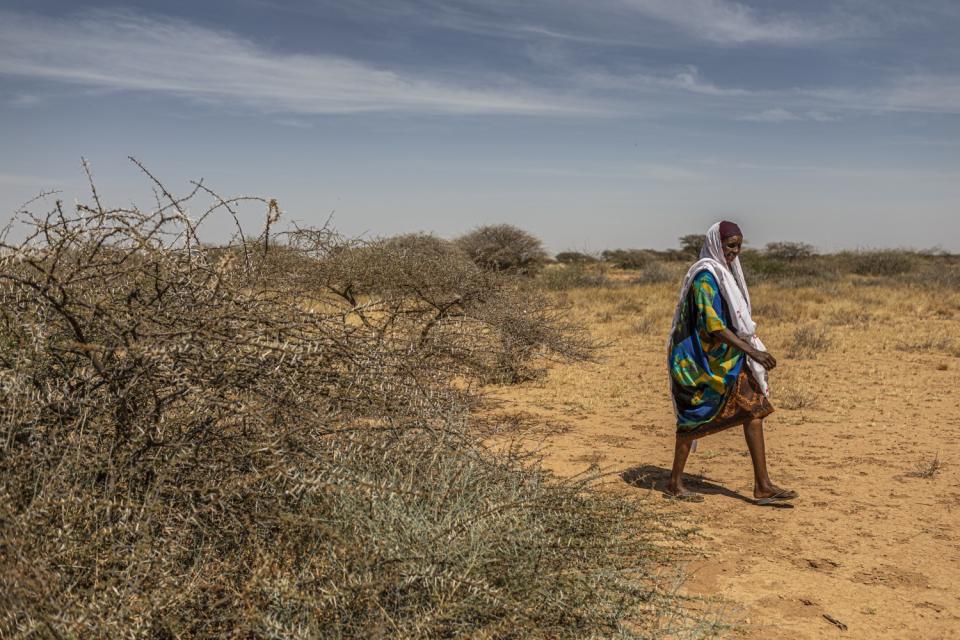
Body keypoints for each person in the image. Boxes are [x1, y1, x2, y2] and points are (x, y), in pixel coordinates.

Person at [666, 221, 797, 505]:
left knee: (754, 409)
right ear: (717, 244)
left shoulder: (724, 274)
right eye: (730, 246)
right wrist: (752, 351)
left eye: (738, 246)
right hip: (696, 362)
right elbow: (712, 325)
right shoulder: (704, 277)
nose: (735, 252)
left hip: (726, 358)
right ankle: (675, 482)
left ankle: (763, 485)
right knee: (692, 420)